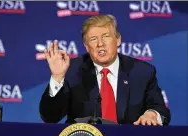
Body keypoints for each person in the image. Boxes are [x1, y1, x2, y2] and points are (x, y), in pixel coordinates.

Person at [39, 14, 170, 125]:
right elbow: (50, 117)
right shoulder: (72, 71)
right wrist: (57, 77)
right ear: (86, 46)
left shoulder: (141, 72)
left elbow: (160, 109)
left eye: (106, 36)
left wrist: (153, 114)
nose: (100, 44)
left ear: (118, 40)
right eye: (93, 39)